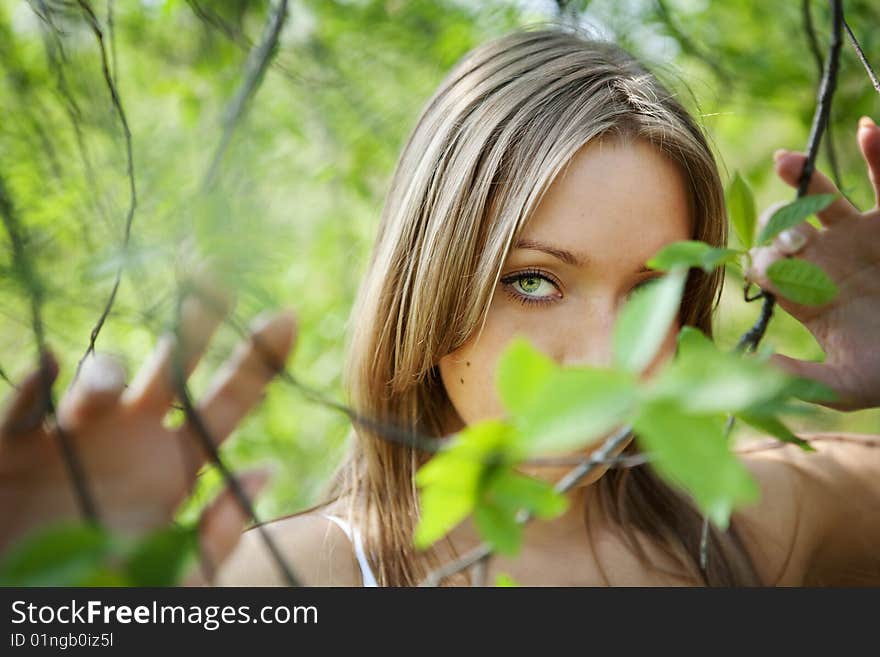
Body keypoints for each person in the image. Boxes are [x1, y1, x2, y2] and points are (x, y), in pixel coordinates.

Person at [1, 26, 878, 587]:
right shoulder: (299, 578)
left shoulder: (757, 522)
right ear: (432, 278)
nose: (607, 358)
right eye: (534, 280)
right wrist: (44, 603)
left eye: (651, 292)